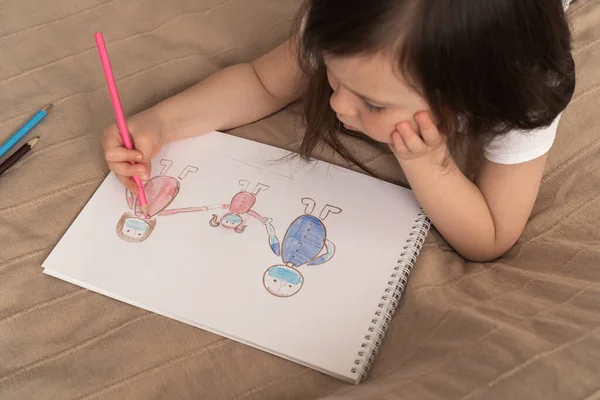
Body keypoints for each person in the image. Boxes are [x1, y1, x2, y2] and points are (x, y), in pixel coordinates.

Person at [102, 0, 575, 262]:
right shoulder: (356, 28)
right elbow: (262, 81)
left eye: (372, 103)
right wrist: (160, 122)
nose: (337, 104)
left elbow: (490, 236)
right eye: (332, 72)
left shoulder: (522, 90)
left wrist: (427, 163)